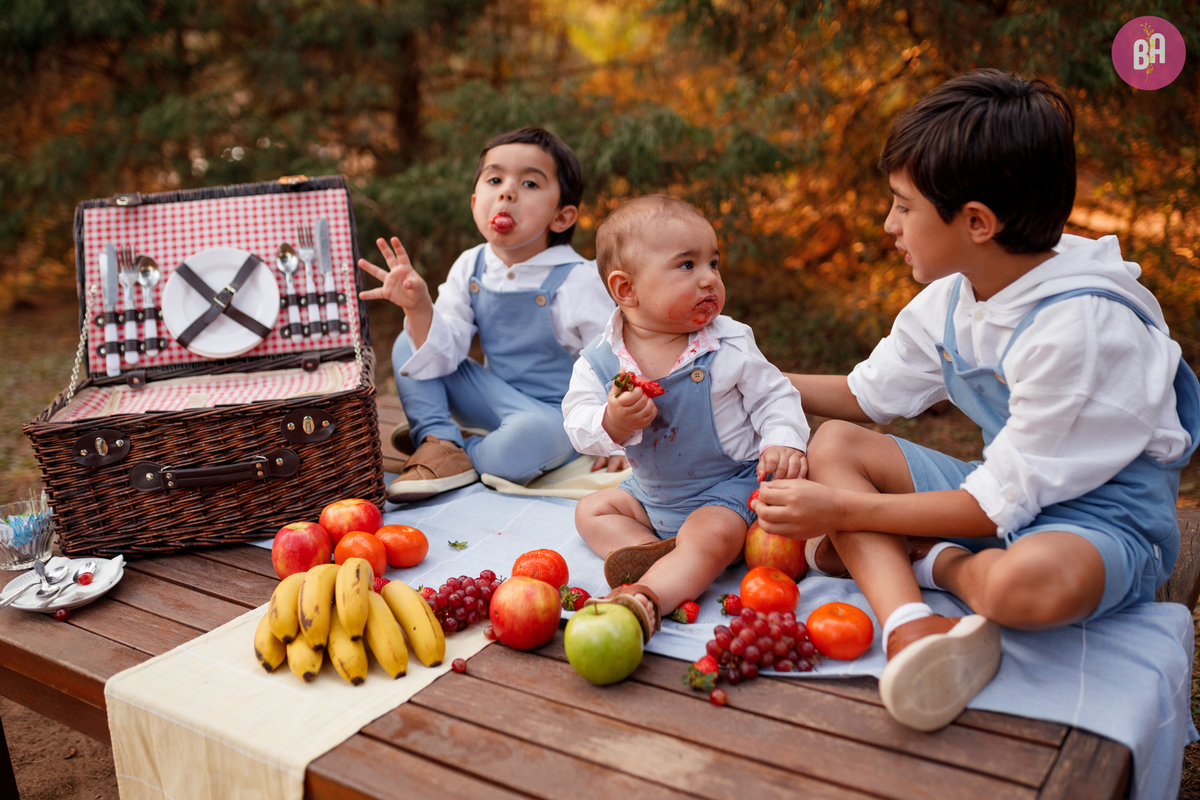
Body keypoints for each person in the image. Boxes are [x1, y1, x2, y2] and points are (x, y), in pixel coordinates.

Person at [754, 69, 1200, 731]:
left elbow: (993, 503)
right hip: (1006, 492)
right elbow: (861, 396)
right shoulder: (955, 296)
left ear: (978, 222)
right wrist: (746, 375)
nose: (889, 224)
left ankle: (941, 562)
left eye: (904, 206)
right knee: (836, 444)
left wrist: (846, 509)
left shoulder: (1078, 331)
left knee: (1020, 586)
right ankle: (910, 625)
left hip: (1100, 523)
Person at [563, 195, 809, 642]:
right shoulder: (601, 360)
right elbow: (577, 421)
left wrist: (783, 438)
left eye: (713, 263)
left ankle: (648, 595)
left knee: (708, 534)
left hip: (726, 490)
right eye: (686, 266)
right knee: (591, 510)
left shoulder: (727, 343)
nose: (709, 279)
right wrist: (612, 423)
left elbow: (775, 395)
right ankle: (653, 552)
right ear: (626, 289)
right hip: (652, 494)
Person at [358, 127, 624, 503]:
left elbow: (613, 364)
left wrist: (614, 434)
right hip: (490, 397)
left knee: (522, 443)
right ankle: (439, 438)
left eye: (530, 183)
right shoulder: (473, 264)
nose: (507, 192)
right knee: (410, 341)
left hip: (554, 416)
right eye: (495, 179)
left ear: (562, 217)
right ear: (474, 202)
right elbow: (444, 352)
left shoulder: (578, 279)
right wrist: (418, 308)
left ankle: (457, 448)